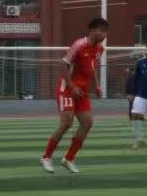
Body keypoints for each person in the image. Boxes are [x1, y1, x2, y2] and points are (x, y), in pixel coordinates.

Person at [40, 17, 108, 174]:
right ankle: (46, 157)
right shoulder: (79, 45)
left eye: (106, 32)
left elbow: (93, 68)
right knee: (67, 122)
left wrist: (97, 85)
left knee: (87, 123)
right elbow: (63, 65)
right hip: (67, 89)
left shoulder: (99, 49)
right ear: (92, 30)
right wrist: (72, 86)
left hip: (82, 91)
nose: (104, 35)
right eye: (102, 31)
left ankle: (69, 158)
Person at [126, 41, 147, 150]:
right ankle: (138, 139)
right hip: (141, 95)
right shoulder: (140, 62)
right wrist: (131, 93)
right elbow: (135, 79)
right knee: (135, 115)